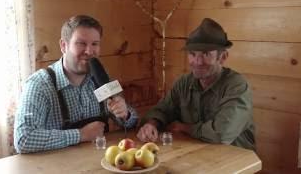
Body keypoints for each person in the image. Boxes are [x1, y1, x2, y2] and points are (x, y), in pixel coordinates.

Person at [14, 15, 138, 153]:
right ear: (63, 46)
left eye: (95, 44)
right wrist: (81, 135)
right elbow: (23, 139)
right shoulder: (39, 85)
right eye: (81, 43)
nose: (89, 51)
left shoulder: (100, 77)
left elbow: (131, 122)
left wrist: (125, 114)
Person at [137, 18, 255, 150]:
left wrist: (184, 128)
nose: (198, 62)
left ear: (222, 57)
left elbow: (221, 134)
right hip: (197, 155)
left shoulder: (237, 86)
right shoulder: (183, 83)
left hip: (236, 162)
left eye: (206, 54)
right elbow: (162, 110)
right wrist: (152, 124)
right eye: (192, 54)